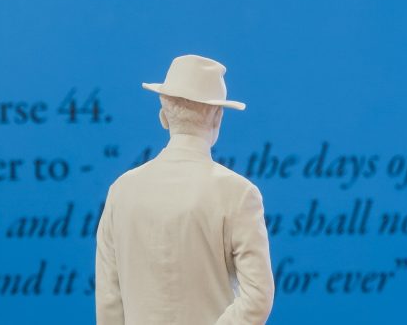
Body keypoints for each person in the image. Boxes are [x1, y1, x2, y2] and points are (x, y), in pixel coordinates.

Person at [96, 55, 275, 325]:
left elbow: (109, 299)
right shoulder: (238, 193)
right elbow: (257, 298)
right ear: (218, 117)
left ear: (163, 116)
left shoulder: (122, 190)